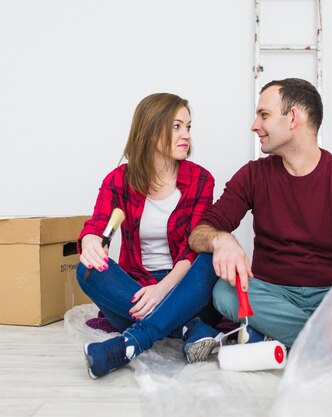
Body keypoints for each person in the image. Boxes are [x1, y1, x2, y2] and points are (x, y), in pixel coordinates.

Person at [188, 78, 332, 352]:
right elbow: (200, 232)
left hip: (330, 296)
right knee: (224, 292)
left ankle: (284, 334)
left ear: (293, 117)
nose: (254, 125)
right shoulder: (253, 175)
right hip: (271, 293)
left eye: (264, 115)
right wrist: (221, 240)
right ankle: (323, 346)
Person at [77, 93, 223, 379]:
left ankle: (131, 343)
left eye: (188, 127)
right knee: (86, 269)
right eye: (176, 126)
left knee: (207, 257)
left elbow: (191, 249)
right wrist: (90, 242)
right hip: (136, 290)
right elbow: (97, 225)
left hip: (185, 286)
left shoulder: (201, 179)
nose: (186, 135)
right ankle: (186, 328)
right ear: (151, 129)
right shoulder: (118, 180)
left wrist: (162, 290)